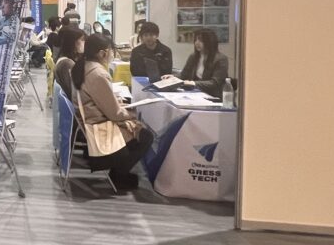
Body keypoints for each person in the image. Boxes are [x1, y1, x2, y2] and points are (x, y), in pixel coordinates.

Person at [72, 33, 155, 191]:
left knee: (136, 127)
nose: (112, 54)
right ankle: (119, 175)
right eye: (111, 51)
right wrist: (133, 112)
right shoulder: (98, 73)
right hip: (98, 125)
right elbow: (114, 114)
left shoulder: (83, 66)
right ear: (102, 53)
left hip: (91, 120)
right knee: (145, 135)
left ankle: (119, 172)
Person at [174, 28, 229, 98]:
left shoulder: (221, 59)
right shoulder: (193, 56)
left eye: (201, 40)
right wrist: (173, 77)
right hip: (194, 93)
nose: (197, 43)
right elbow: (184, 75)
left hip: (213, 96)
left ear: (210, 42)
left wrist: (193, 83)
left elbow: (215, 82)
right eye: (196, 40)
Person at [53, 27, 85, 100]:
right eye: (82, 39)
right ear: (73, 42)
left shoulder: (65, 59)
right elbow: (74, 92)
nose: (84, 42)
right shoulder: (67, 64)